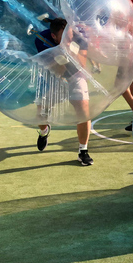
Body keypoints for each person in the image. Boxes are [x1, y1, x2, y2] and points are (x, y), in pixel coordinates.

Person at [34, 17, 94, 166]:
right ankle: (44, 131)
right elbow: (57, 70)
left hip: (75, 74)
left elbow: (81, 64)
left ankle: (83, 150)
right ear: (53, 36)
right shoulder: (42, 39)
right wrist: (61, 52)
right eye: (64, 35)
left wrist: (68, 50)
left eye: (70, 33)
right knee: (41, 114)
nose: (69, 37)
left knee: (83, 108)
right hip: (52, 76)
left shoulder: (79, 36)